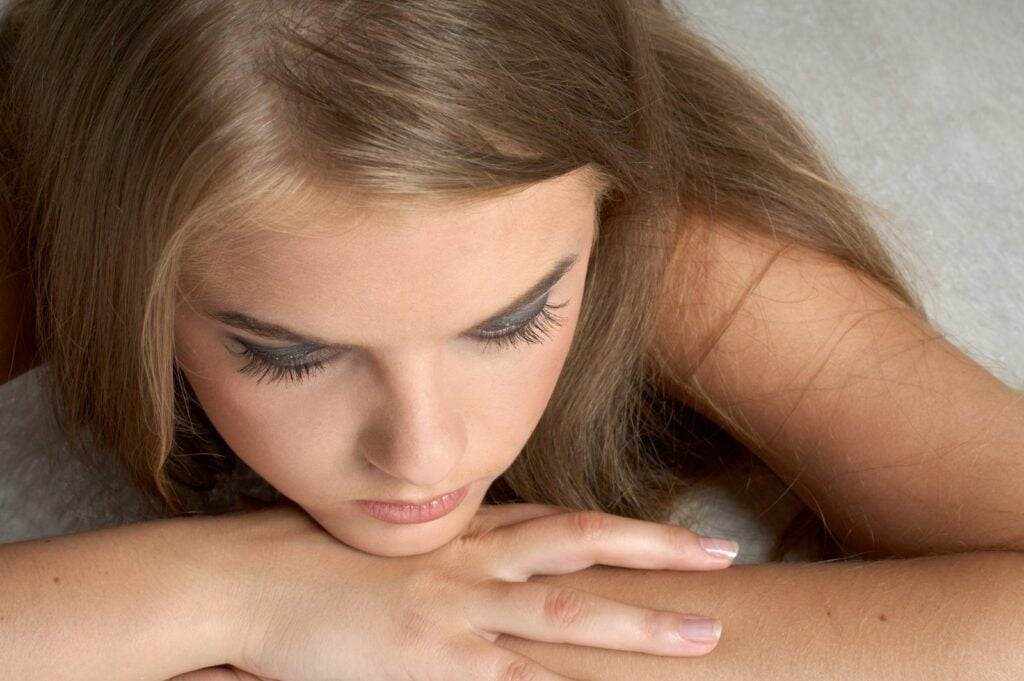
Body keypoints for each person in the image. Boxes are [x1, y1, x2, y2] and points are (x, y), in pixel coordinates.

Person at [1, 1, 1022, 679]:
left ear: (604, 208)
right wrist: (235, 592)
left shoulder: (659, 240)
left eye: (512, 321)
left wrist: (460, 620)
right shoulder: (44, 217)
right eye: (288, 354)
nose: (424, 453)